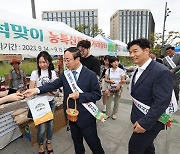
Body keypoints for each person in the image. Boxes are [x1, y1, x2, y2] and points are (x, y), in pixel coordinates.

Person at [23, 47, 104, 154]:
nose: (65, 63)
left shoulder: (90, 75)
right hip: (71, 116)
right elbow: (52, 85)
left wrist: (80, 95)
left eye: (67, 60)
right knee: (77, 143)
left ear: (77, 59)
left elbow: (97, 94)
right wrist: (36, 90)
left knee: (94, 143)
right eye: (64, 60)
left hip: (86, 117)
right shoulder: (66, 74)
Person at [127, 38, 173, 154]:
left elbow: (162, 101)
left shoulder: (161, 71)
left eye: (135, 51)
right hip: (139, 117)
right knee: (147, 148)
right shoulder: (138, 70)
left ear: (146, 50)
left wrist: (145, 123)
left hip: (151, 122)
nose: (132, 55)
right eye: (130, 52)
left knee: (134, 148)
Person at [29, 51, 57, 154]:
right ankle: (40, 144)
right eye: (40, 62)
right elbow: (31, 89)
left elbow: (56, 89)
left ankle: (48, 142)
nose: (42, 64)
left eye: (44, 62)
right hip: (39, 104)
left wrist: (53, 92)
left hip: (51, 103)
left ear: (49, 62)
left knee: (50, 124)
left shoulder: (53, 73)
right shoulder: (34, 73)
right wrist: (44, 91)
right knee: (41, 127)